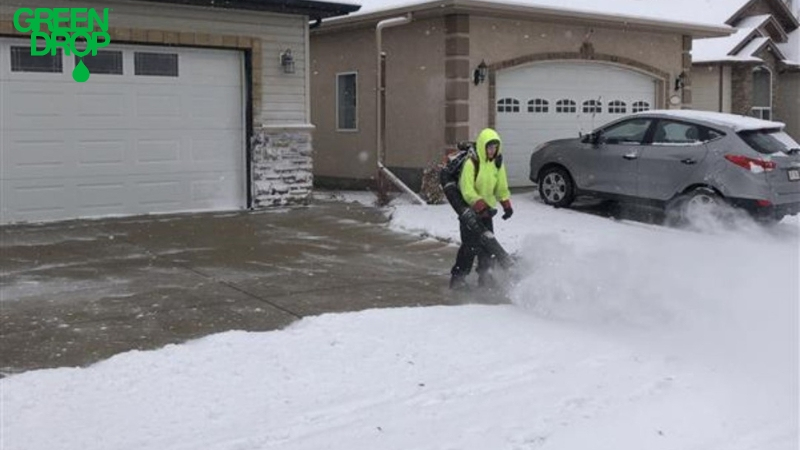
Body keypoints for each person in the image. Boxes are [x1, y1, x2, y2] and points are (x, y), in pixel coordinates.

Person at [450, 128, 513, 290]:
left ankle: (485, 278)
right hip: (469, 212)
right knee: (469, 247)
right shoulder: (472, 163)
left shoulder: (497, 163)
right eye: (490, 147)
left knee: (488, 247)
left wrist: (506, 204)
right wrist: (479, 203)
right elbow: (467, 189)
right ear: (483, 146)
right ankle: (458, 278)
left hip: (487, 213)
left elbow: (501, 186)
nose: (492, 151)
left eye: (495, 147)